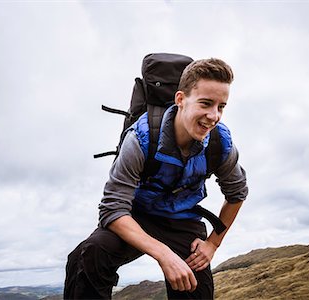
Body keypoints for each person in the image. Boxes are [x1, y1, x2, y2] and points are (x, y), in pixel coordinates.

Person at [64, 58, 248, 299]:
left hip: (182, 220)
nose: (214, 116)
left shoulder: (220, 142)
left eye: (221, 106)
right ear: (180, 99)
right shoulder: (140, 139)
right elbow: (112, 210)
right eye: (206, 103)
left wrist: (212, 244)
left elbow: (236, 194)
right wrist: (164, 254)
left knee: (196, 287)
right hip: (136, 216)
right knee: (90, 254)